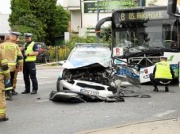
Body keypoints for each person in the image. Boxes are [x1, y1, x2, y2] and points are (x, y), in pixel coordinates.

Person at [0, 48, 10, 121]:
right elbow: (5, 66)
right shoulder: (1, 51)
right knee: (1, 97)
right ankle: (2, 115)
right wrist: (7, 77)